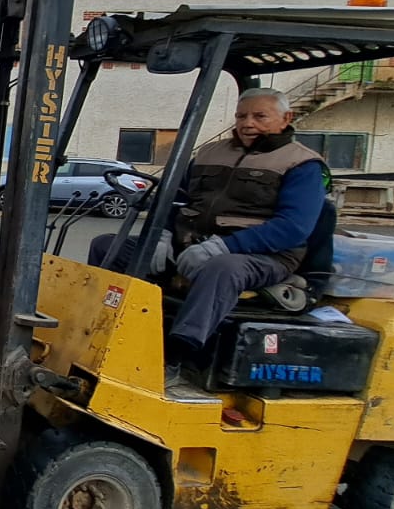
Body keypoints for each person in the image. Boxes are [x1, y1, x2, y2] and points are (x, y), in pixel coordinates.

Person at [89, 88, 327, 384]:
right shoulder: (210, 153)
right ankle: (108, 328)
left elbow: (293, 227)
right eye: (241, 116)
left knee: (222, 269)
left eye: (259, 116)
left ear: (286, 118)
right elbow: (175, 199)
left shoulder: (302, 165)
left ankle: (175, 358)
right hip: (190, 245)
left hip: (262, 256)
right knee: (107, 246)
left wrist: (223, 246)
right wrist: (161, 234)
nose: (248, 123)